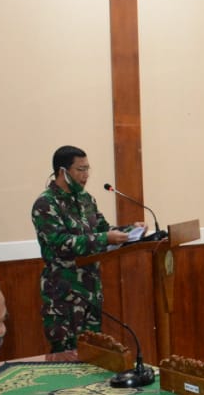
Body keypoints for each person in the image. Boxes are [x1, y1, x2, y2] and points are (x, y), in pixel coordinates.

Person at [31, 145, 133, 351]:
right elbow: (60, 243)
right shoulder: (46, 203)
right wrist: (105, 238)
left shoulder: (86, 200)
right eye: (80, 169)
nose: (86, 175)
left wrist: (131, 230)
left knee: (94, 352)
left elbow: (103, 230)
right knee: (66, 356)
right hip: (64, 295)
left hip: (91, 292)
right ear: (63, 171)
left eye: (88, 169)